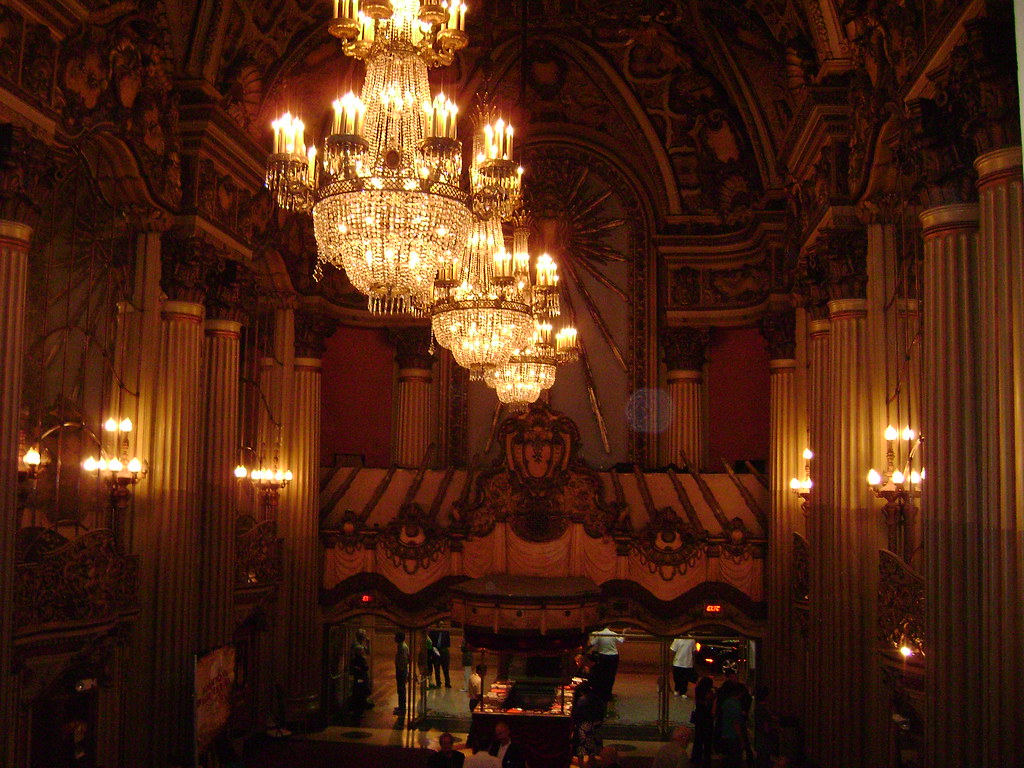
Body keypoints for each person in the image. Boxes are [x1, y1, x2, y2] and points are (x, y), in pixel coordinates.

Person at [571, 680, 605, 768]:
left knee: (581, 747)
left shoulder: (582, 700)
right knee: (594, 745)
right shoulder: (598, 699)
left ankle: (581, 765)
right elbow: (602, 712)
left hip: (585, 725)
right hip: (597, 724)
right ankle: (592, 761)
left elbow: (577, 713)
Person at [588, 627, 624, 699]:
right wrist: (624, 632)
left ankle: (601, 692)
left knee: (602, 674)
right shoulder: (613, 634)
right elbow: (621, 640)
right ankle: (608, 693)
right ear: (609, 627)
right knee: (611, 675)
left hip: (603, 656)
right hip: (614, 656)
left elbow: (592, 643)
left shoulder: (599, 634)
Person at [690, 675, 716, 768]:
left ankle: (696, 759)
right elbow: (712, 709)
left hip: (699, 718)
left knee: (698, 740)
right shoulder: (711, 694)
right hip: (707, 719)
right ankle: (706, 761)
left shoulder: (698, 691)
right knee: (707, 742)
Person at [753, 686, 779, 768]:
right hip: (764, 740)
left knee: (761, 760)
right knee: (765, 761)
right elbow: (766, 727)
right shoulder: (763, 710)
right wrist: (775, 729)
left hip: (759, 738)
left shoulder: (757, 708)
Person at [349, 644, 371, 712]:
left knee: (359, 689)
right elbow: (365, 668)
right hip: (361, 677)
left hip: (358, 677)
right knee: (361, 689)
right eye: (362, 651)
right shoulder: (361, 659)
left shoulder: (354, 659)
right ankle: (361, 704)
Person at [394, 631, 409, 715]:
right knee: (400, 690)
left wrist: (400, 668)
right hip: (401, 669)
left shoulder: (402, 647)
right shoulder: (402, 646)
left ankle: (402, 708)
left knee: (401, 689)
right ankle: (401, 706)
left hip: (401, 670)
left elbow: (403, 660)